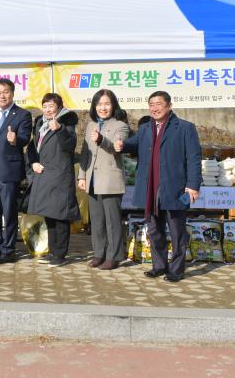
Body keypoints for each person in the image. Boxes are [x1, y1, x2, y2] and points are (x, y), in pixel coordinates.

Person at [116, 91, 201, 282]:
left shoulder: (185, 128)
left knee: (177, 231)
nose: (154, 108)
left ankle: (177, 269)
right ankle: (159, 266)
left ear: (169, 106)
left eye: (158, 104)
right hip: (150, 188)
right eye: (151, 104)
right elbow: (133, 144)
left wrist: (193, 185)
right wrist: (122, 145)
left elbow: (194, 158)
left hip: (175, 187)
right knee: (154, 229)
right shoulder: (146, 128)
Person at [0, 78, 32, 264]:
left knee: (8, 212)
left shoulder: (23, 114)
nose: (2, 95)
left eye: (6, 92)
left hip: (9, 171)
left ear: (12, 93)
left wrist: (15, 139)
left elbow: (26, 138)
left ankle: (9, 249)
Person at [26, 93, 80, 267]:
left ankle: (60, 254)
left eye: (51, 106)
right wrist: (33, 162)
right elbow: (33, 147)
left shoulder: (66, 122)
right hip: (44, 175)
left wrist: (60, 130)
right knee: (49, 215)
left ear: (59, 107)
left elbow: (69, 145)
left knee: (60, 216)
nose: (48, 109)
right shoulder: (40, 123)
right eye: (45, 106)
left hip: (60, 175)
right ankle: (52, 251)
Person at [78, 89, 129, 270]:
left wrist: (102, 140)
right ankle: (99, 253)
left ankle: (113, 256)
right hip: (92, 179)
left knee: (112, 221)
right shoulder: (91, 125)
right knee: (97, 221)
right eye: (99, 104)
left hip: (110, 180)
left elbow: (116, 148)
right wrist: (82, 176)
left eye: (107, 104)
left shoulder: (120, 125)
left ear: (113, 105)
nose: (103, 107)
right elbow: (85, 152)